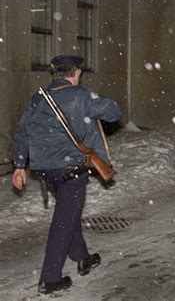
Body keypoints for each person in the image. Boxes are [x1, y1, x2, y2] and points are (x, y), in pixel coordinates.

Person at [11, 55, 122, 294]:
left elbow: (22, 133)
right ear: (76, 73)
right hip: (71, 168)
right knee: (63, 220)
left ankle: (83, 257)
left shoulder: (39, 98)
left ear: (56, 74)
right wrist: (91, 97)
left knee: (67, 211)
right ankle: (50, 279)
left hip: (45, 169)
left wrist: (20, 165)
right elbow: (114, 112)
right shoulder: (81, 95)